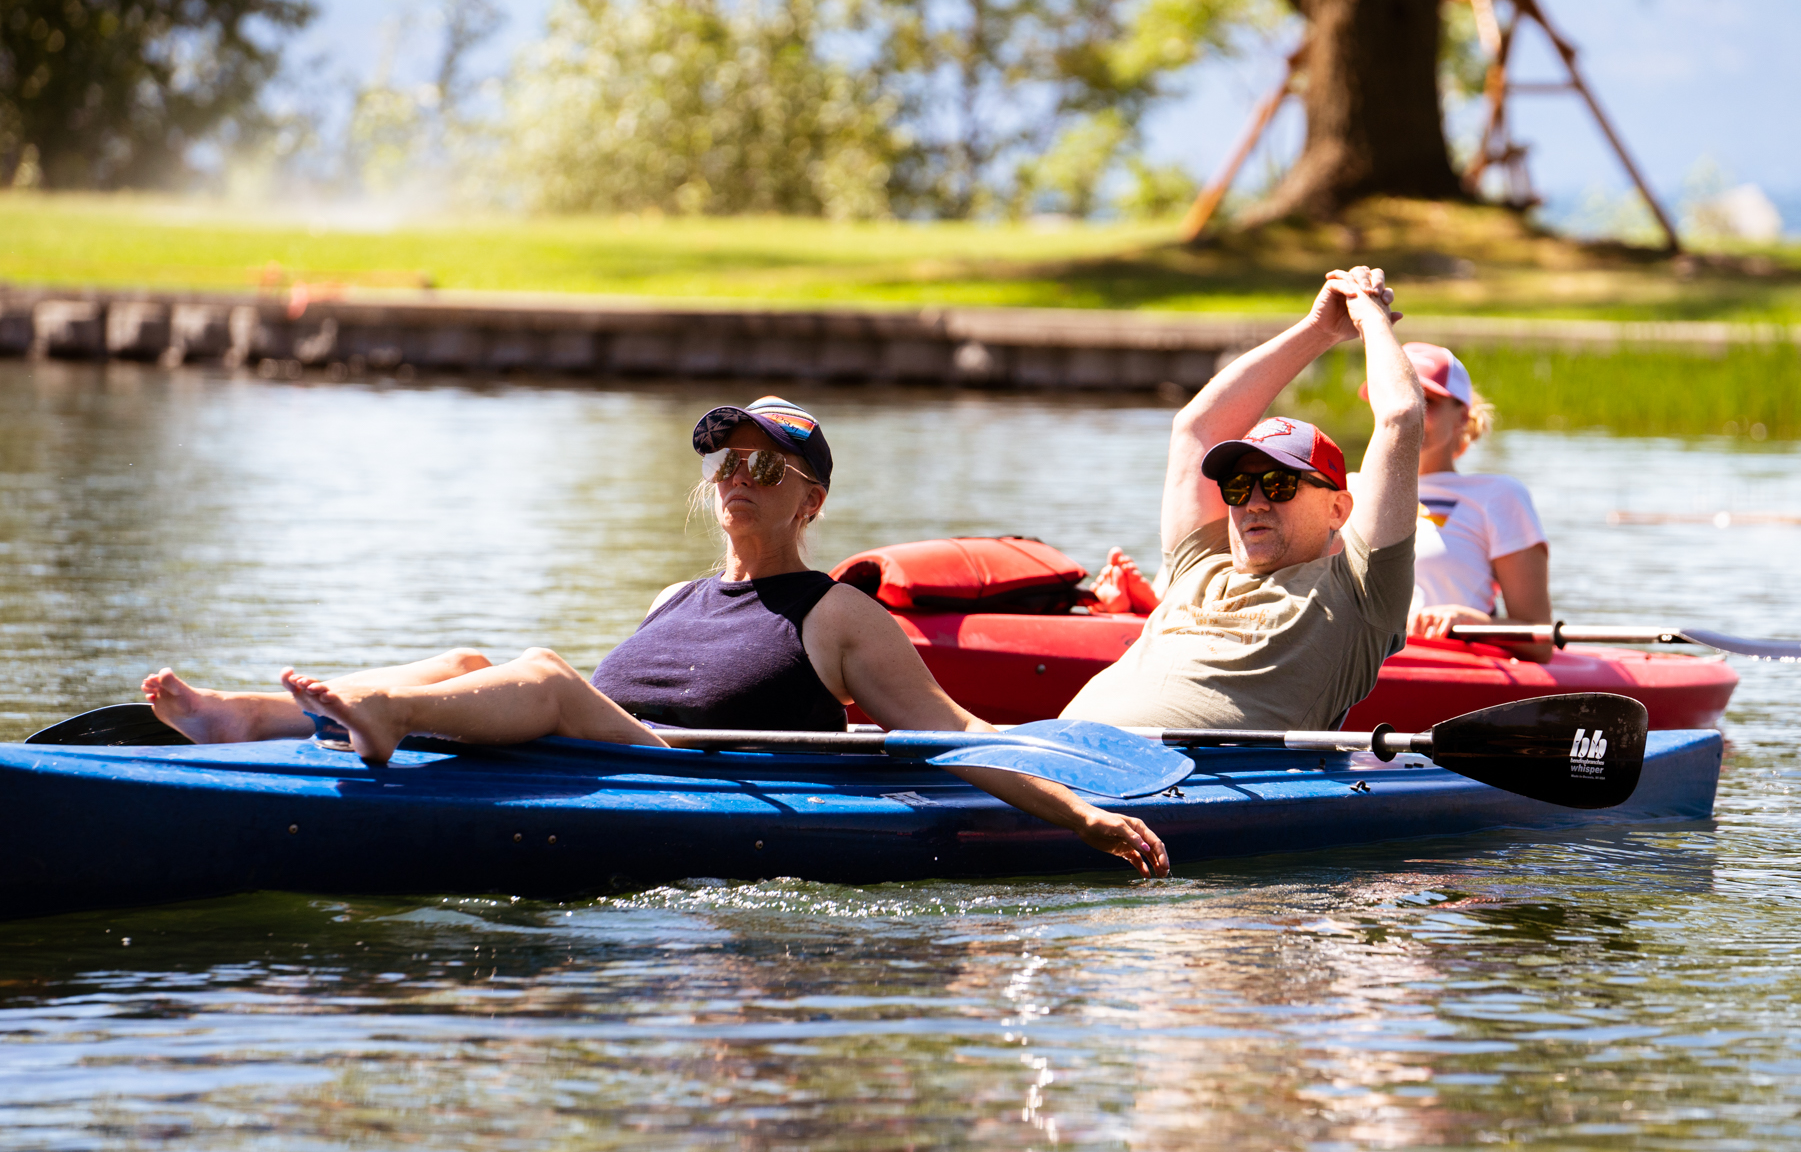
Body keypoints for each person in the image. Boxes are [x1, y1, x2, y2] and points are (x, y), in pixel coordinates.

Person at [143, 397, 1169, 876]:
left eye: (763, 468)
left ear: (807, 501)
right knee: (471, 662)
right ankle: (250, 715)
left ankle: (378, 715)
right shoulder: (672, 594)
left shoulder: (839, 612)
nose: (735, 478)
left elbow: (947, 733)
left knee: (541, 670)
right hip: (587, 759)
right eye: (726, 463)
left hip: (685, 785)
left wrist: (1076, 814)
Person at [1061, 267, 1424, 731]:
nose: (1254, 502)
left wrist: (1369, 315)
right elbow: (1196, 429)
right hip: (1056, 754)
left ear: (1338, 508)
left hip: (1170, 784)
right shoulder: (1198, 564)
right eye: (1237, 487)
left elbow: (1401, 416)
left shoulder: (1359, 593)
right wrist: (1317, 330)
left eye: (1279, 485)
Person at [1381, 343, 1553, 663]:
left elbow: (1539, 641)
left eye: (1426, 401)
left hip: (1450, 663)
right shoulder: (1348, 488)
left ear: (1461, 417)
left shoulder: (1499, 495)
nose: (1406, 412)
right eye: (1395, 396)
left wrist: (1475, 623)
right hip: (1362, 665)